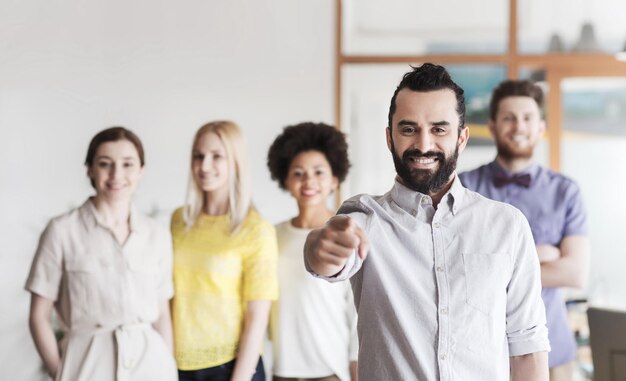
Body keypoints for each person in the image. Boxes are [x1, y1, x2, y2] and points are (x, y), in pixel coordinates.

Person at [303, 63, 550, 380]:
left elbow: (527, 347)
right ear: (390, 138)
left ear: (461, 138)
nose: (422, 144)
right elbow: (327, 256)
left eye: (439, 129)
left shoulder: (507, 225)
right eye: (408, 129)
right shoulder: (363, 217)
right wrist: (317, 246)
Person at [459, 79, 590, 381]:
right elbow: (459, 267)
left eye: (528, 118)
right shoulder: (464, 187)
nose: (519, 126)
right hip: (479, 351)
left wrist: (496, 263)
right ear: (491, 125)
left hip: (553, 352)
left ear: (541, 127)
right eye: (509, 117)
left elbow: (575, 273)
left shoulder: (566, 192)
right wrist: (541, 256)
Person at [26, 127, 177, 381]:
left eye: (127, 164)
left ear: (141, 170)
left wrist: (168, 367)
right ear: (90, 169)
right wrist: (59, 371)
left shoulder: (157, 235)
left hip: (150, 366)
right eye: (105, 164)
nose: (117, 174)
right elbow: (38, 316)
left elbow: (162, 314)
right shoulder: (62, 231)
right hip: (87, 364)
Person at [171, 120, 278, 381]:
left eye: (217, 156)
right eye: (199, 156)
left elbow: (257, 317)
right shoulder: (178, 221)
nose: (204, 166)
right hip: (178, 365)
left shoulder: (256, 229)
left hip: (232, 367)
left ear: (235, 162)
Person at [267, 122, 358, 381]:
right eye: (298, 173)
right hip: (280, 372)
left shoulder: (345, 234)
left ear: (334, 180)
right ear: (285, 179)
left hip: (330, 373)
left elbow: (357, 317)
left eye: (319, 172)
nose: (309, 181)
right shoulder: (270, 236)